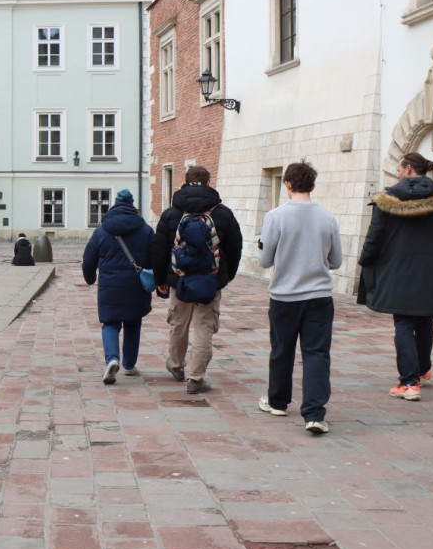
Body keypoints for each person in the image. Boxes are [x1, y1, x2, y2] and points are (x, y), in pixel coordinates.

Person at [358, 152, 433, 402]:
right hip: (432, 273)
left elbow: (374, 238)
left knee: (404, 323)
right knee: (425, 320)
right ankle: (422, 369)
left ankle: (409, 382)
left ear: (408, 169)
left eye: (398, 168)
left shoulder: (387, 201)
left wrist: (365, 262)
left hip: (397, 273)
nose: (397, 173)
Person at [258, 161, 342, 435]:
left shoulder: (276, 216)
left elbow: (265, 261)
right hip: (318, 295)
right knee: (317, 353)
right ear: (312, 185)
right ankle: (315, 414)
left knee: (282, 350)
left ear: (288, 185)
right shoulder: (328, 217)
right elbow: (336, 261)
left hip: (284, 296)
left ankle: (278, 401)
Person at [152, 166, 243, 394]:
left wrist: (160, 279)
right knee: (204, 326)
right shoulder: (223, 213)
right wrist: (225, 276)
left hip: (179, 279)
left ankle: (175, 366)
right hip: (209, 280)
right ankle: (196, 377)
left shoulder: (171, 213)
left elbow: (160, 249)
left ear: (185, 181)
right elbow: (235, 248)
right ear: (208, 181)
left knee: (178, 323)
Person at [82, 190, 153, 384]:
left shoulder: (102, 230)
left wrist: (89, 278)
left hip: (109, 285)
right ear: (132, 205)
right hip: (135, 285)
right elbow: (156, 255)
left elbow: (89, 258)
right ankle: (129, 365)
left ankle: (112, 359)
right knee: (133, 322)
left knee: (110, 323)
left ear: (115, 204)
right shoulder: (145, 229)